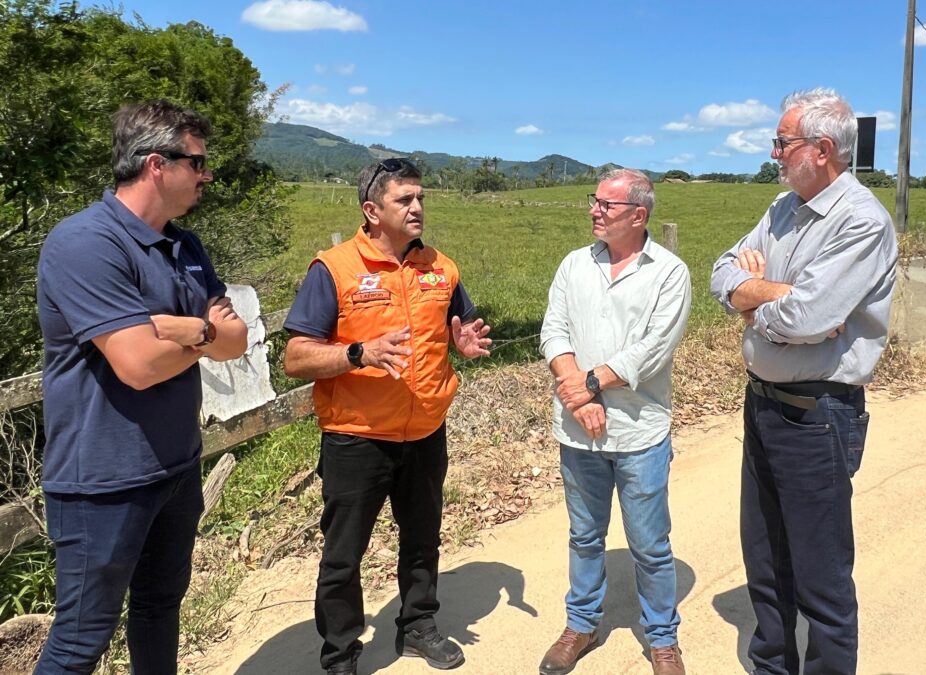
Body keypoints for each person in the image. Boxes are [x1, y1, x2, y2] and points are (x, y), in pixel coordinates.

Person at [34, 100, 249, 673]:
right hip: (103, 481)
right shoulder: (85, 243)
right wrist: (205, 332)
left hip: (177, 466)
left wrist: (187, 329)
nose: (206, 175)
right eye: (198, 162)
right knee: (82, 639)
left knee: (159, 609)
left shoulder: (186, 247)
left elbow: (237, 340)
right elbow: (137, 364)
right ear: (158, 164)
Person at [710, 88, 897, 675]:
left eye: (782, 143)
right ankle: (773, 665)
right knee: (764, 559)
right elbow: (722, 270)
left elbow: (811, 320)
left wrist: (756, 301)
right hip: (763, 402)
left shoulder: (861, 220)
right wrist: (765, 298)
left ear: (821, 149)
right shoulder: (782, 207)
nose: (774, 153)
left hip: (818, 414)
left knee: (820, 574)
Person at [283, 157, 491, 675]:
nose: (418, 207)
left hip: (424, 430)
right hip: (357, 438)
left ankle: (418, 626)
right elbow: (296, 358)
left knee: (422, 538)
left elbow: (452, 330)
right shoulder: (333, 269)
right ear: (372, 210)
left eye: (421, 197)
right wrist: (358, 353)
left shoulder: (441, 268)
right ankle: (340, 655)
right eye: (405, 199)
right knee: (342, 557)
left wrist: (460, 343)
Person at [538, 168, 692, 675]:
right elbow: (553, 331)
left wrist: (591, 383)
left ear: (638, 215)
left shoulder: (669, 273)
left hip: (639, 430)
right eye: (594, 200)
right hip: (578, 429)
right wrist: (581, 397)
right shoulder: (573, 265)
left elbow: (651, 353)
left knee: (650, 543)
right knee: (584, 535)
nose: (594, 210)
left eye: (606, 204)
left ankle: (662, 637)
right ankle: (581, 624)